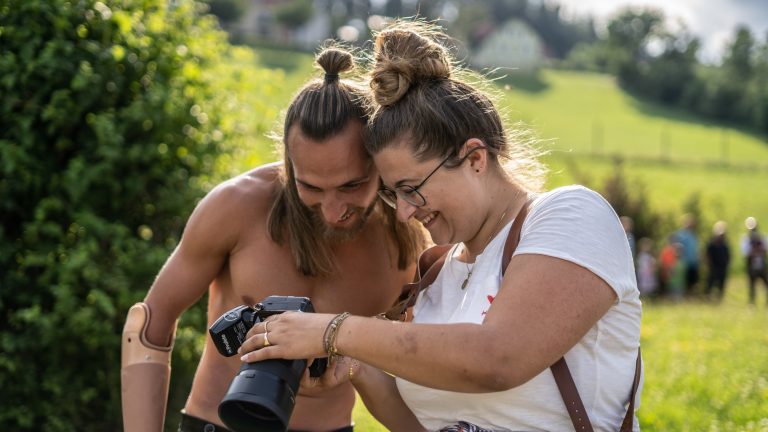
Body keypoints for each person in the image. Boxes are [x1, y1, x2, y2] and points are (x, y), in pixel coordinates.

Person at [239, 21, 643, 432]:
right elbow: (422, 425)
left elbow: (498, 359)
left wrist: (333, 330)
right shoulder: (436, 276)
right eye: (392, 194)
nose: (403, 212)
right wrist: (355, 366)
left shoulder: (570, 214)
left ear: (474, 159)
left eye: (411, 189)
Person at [120, 47, 426, 432]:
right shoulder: (238, 205)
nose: (333, 211)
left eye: (352, 185)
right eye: (311, 187)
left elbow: (424, 360)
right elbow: (148, 325)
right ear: (289, 162)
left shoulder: (409, 237)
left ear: (379, 162)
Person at [740, 216, 768, 305]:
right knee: (752, 286)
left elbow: (765, 250)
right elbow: (746, 253)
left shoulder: (762, 237)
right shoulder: (746, 239)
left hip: (762, 265)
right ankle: (752, 303)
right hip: (751, 266)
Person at [705, 221, 730, 301]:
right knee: (710, 283)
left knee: (721, 285)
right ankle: (708, 298)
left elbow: (728, 256)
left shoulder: (725, 245)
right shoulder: (711, 244)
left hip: (722, 268)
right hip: (713, 268)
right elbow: (707, 256)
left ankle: (719, 299)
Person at [675, 213, 700, 294]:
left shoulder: (694, 235)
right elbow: (677, 249)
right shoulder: (680, 234)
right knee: (684, 281)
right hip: (684, 262)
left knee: (692, 281)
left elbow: (696, 249)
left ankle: (691, 295)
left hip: (693, 262)